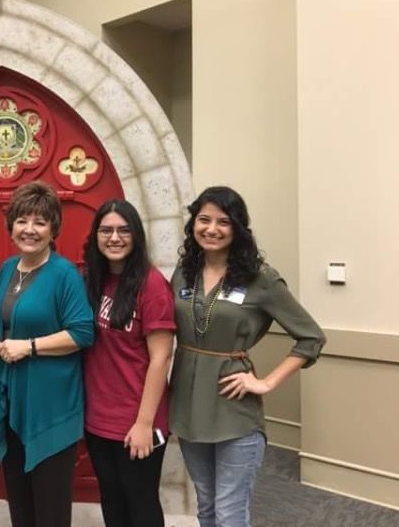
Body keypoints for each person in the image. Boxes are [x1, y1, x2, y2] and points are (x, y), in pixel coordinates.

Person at [170, 186, 326, 527]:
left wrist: (266, 382)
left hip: (233, 409)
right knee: (206, 507)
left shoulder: (261, 279)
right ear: (193, 224)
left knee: (230, 512)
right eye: (204, 219)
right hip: (187, 405)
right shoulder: (184, 273)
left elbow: (311, 337)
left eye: (223, 222)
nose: (211, 229)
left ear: (238, 228)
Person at [0, 180, 94, 527]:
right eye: (22, 221)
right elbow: (5, 319)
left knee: (50, 506)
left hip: (50, 404)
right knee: (20, 501)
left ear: (53, 228)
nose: (29, 229)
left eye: (40, 222)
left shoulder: (64, 275)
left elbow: (82, 332)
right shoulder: (8, 268)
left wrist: (28, 347)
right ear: (11, 224)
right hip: (12, 397)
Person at [83, 200, 176, 527]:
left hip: (138, 420)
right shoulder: (93, 281)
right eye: (106, 230)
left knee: (141, 503)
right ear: (95, 236)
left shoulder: (151, 286)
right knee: (112, 500)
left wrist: (144, 424)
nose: (114, 237)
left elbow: (160, 358)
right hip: (98, 419)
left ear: (136, 236)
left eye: (124, 230)